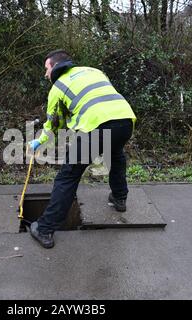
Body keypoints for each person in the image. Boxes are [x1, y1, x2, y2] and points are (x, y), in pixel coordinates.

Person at [28, 49, 137, 248]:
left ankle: (44, 229)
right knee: (115, 155)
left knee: (68, 175)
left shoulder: (58, 87)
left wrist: (40, 140)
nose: (45, 74)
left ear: (55, 66)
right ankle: (119, 198)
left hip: (96, 127)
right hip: (125, 120)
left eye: (46, 68)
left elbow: (53, 123)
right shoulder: (93, 71)